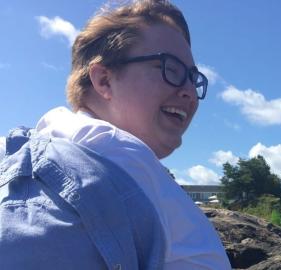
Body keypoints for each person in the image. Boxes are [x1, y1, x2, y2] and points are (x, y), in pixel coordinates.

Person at [0, 0, 231, 269]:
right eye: (171, 69)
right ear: (104, 80)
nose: (190, 93)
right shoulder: (59, 182)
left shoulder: (117, 168)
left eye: (193, 78)